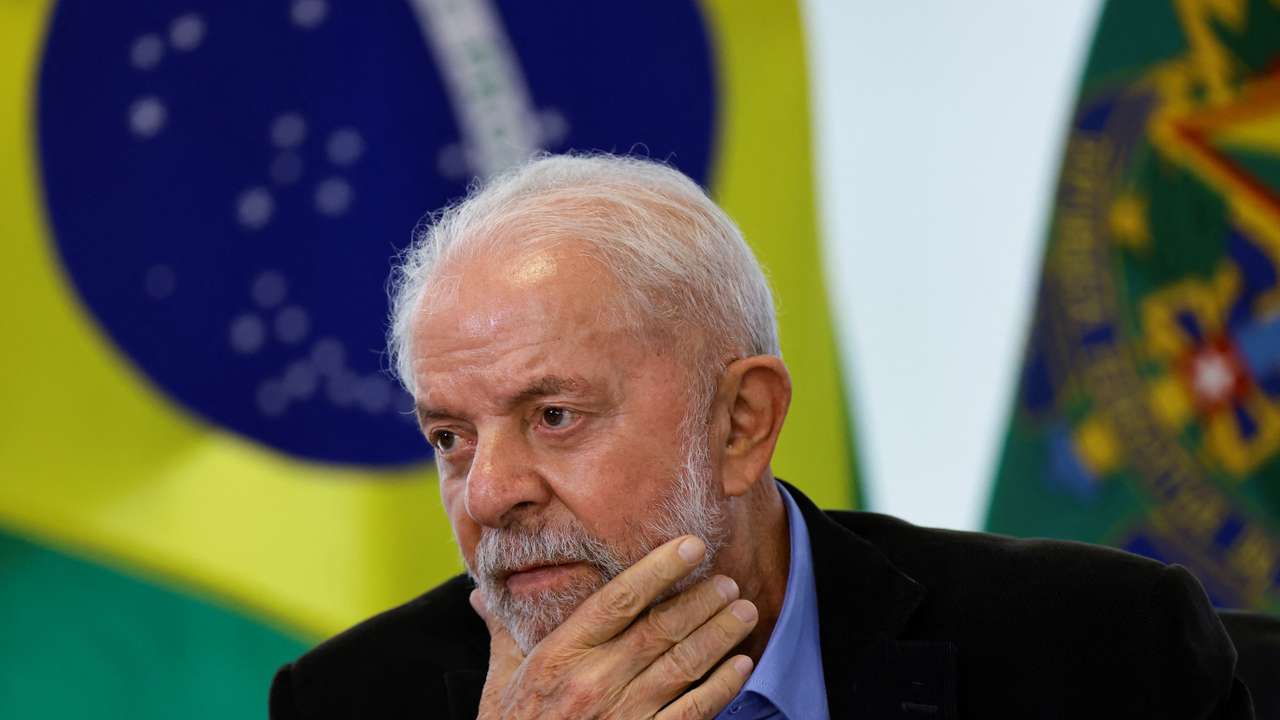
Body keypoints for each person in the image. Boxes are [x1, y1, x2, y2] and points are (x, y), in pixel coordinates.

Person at [269, 154, 1255, 719]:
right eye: (450, 437)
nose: (487, 495)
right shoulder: (351, 703)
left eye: (552, 416)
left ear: (741, 421)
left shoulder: (1093, 650)